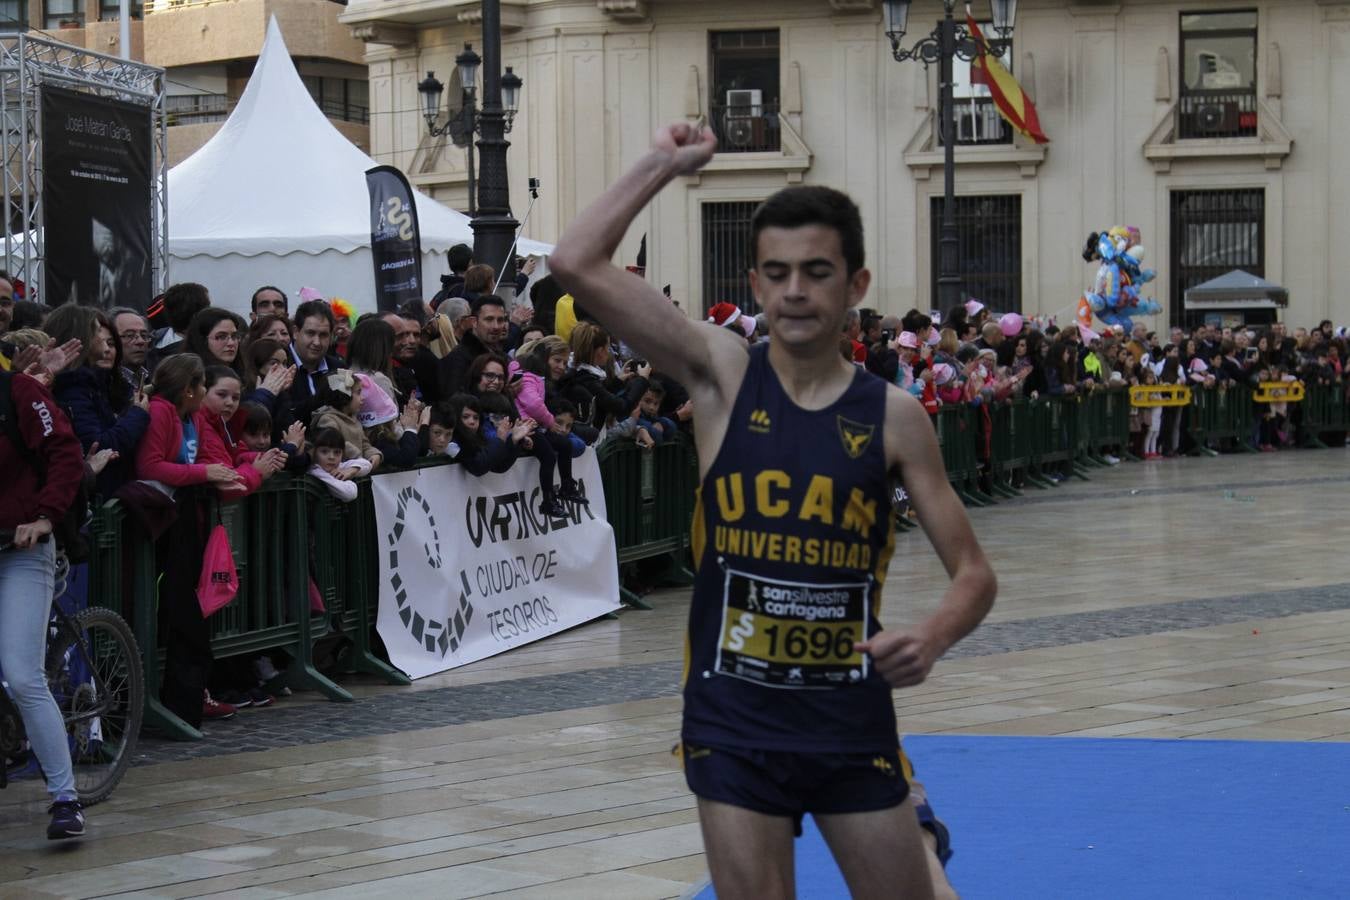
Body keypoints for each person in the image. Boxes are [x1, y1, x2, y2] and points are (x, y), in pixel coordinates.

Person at [549, 123, 997, 900]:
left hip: (847, 717)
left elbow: (975, 573)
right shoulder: (721, 376)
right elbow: (574, 263)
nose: (796, 290)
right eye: (778, 273)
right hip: (734, 718)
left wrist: (932, 635)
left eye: (817, 272)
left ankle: (918, 834)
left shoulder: (894, 417)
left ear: (855, 285)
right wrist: (662, 164)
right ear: (755, 285)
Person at [0, 366, 89, 839]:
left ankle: (65, 799)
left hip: (23, 547)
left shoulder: (19, 389)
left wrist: (45, 516)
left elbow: (64, 454)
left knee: (21, 674)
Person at [437, 295, 510, 398]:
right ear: (474, 322)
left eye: (501, 320)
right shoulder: (458, 358)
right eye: (489, 319)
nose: (496, 326)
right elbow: (454, 401)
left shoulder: (501, 357)